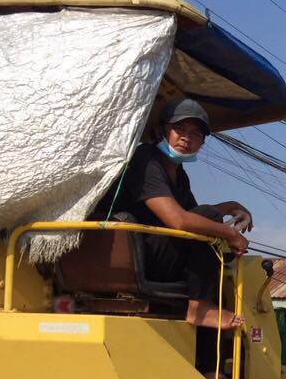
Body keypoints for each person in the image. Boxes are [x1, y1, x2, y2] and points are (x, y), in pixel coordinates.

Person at [98, 98, 252, 329]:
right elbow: (179, 220)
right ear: (161, 131)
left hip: (152, 254)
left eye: (195, 134)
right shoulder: (146, 161)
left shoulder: (179, 175)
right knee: (208, 222)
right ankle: (198, 307)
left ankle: (209, 348)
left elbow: (194, 215)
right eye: (178, 129)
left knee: (210, 229)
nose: (186, 138)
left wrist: (231, 206)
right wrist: (230, 234)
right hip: (134, 259)